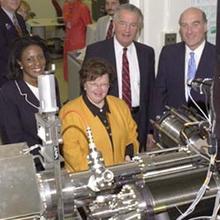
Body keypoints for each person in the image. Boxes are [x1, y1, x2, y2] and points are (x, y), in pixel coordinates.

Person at [84, 4, 155, 152]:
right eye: (123, 23)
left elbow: (150, 93)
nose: (127, 29)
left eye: (133, 25)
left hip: (138, 119)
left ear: (138, 29)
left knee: (134, 162)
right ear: (114, 24)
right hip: (107, 118)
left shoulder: (147, 53)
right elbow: (85, 89)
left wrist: (150, 130)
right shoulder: (96, 51)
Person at [59, 58, 139, 172]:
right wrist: (101, 176)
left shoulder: (120, 105)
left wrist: (128, 156)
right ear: (84, 85)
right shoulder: (70, 112)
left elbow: (132, 135)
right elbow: (72, 154)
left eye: (104, 84)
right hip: (88, 179)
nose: (99, 89)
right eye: (93, 84)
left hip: (120, 173)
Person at [0, 36, 61, 170]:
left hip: (55, 159)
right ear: (19, 63)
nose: (37, 63)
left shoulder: (51, 81)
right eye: (29, 59)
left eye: (40, 57)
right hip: (29, 162)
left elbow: (57, 118)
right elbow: (13, 137)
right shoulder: (9, 92)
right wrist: (44, 156)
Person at [153, 7, 215, 119]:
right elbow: (159, 94)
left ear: (205, 27)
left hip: (207, 129)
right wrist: (155, 129)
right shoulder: (168, 53)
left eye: (195, 24)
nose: (189, 31)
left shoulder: (216, 56)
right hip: (173, 129)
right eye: (184, 25)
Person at [0, 0, 29, 87]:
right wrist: (24, 60)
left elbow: (26, 42)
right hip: (4, 74)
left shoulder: (19, 18)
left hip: (18, 72)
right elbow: (2, 49)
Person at [63, 0, 92, 80]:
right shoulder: (66, 6)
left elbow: (89, 27)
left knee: (78, 70)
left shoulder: (83, 8)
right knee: (69, 69)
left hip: (79, 43)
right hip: (68, 41)